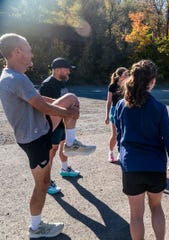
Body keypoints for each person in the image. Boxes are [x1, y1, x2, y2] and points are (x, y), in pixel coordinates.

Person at [0, 33, 95, 238]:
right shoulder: (15, 78)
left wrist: (61, 106)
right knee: (41, 184)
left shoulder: (12, 76)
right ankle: (36, 228)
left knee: (70, 97)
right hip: (36, 136)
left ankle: (69, 143)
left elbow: (37, 98)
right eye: (29, 48)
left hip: (35, 131)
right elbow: (42, 106)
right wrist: (67, 113)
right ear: (17, 52)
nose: (32, 52)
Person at [114, 59, 169, 240]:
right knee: (156, 207)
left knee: (136, 215)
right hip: (155, 166)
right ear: (152, 82)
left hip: (132, 166)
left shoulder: (122, 105)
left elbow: (119, 135)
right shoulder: (159, 108)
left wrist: (123, 157)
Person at [39, 57, 80, 195]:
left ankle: (64, 169)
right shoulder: (47, 84)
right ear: (57, 69)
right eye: (67, 69)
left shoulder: (61, 83)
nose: (69, 71)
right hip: (53, 124)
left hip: (63, 123)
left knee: (64, 146)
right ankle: (46, 181)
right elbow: (44, 106)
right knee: (52, 151)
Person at [105, 67, 128, 162]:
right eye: (125, 74)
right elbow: (109, 101)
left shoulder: (128, 85)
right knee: (115, 135)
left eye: (128, 74)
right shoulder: (112, 86)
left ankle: (120, 153)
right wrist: (107, 115)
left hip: (125, 110)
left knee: (124, 134)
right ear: (119, 75)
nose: (127, 76)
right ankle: (110, 152)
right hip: (114, 111)